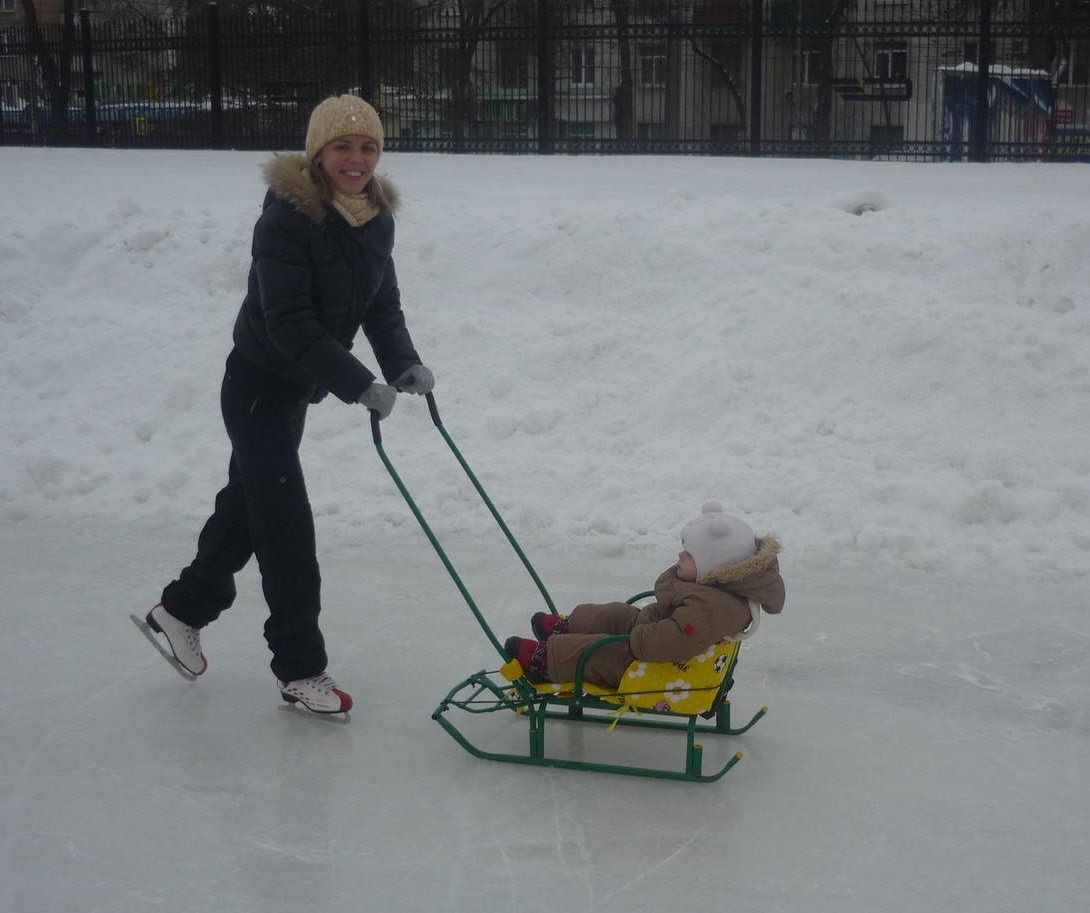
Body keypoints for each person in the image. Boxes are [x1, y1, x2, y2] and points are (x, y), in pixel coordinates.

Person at [139, 95, 432, 720]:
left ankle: (182, 609)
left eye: (368, 147)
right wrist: (358, 384)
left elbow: (381, 305)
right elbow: (290, 323)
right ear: (318, 152)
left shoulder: (375, 218)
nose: (356, 159)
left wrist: (402, 361)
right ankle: (300, 669)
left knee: (249, 506)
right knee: (285, 527)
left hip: (296, 388)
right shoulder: (286, 219)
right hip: (256, 387)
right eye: (342, 147)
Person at [504, 502, 784, 688]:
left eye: (688, 555)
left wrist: (636, 639)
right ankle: (569, 628)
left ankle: (548, 661)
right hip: (653, 638)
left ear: (713, 566)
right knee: (617, 614)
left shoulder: (710, 609)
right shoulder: (716, 589)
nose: (679, 556)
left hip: (658, 664)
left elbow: (676, 639)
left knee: (605, 650)